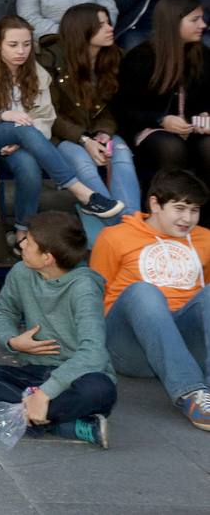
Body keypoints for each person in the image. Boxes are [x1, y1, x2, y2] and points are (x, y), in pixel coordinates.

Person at [0, 211, 116, 448]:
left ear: (47, 257)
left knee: (100, 388)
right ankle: (64, 425)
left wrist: (45, 393)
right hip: (34, 375)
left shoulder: (84, 288)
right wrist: (12, 341)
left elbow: (94, 354)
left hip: (75, 378)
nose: (21, 244)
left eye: (29, 241)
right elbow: (2, 311)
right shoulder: (22, 272)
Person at [0, 15, 124, 234]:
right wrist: (2, 116)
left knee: (29, 167)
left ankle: (23, 230)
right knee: (18, 126)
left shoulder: (37, 73)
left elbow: (45, 118)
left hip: (16, 143)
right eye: (13, 45)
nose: (21, 51)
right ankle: (80, 191)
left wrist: (18, 140)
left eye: (27, 44)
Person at [90, 169, 210, 429]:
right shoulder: (114, 237)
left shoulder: (206, 239)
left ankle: (205, 389)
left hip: (187, 345)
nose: (187, 219)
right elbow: (92, 297)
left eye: (194, 210)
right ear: (155, 203)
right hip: (132, 347)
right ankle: (191, 393)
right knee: (143, 291)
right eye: (179, 208)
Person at [37, 4, 142, 232]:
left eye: (108, 22)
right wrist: (84, 140)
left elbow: (113, 108)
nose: (109, 28)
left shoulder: (114, 57)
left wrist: (104, 133)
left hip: (98, 131)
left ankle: (131, 224)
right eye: (101, 24)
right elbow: (48, 114)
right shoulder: (50, 60)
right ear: (81, 30)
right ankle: (118, 229)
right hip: (60, 135)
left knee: (121, 152)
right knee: (81, 160)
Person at [114, 0, 210, 185]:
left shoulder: (202, 54)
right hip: (150, 128)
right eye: (195, 20)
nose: (203, 25)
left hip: (192, 129)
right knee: (171, 148)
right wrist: (161, 119)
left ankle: (202, 212)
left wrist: (206, 114)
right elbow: (124, 109)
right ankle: (168, 208)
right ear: (174, 22)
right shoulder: (141, 58)